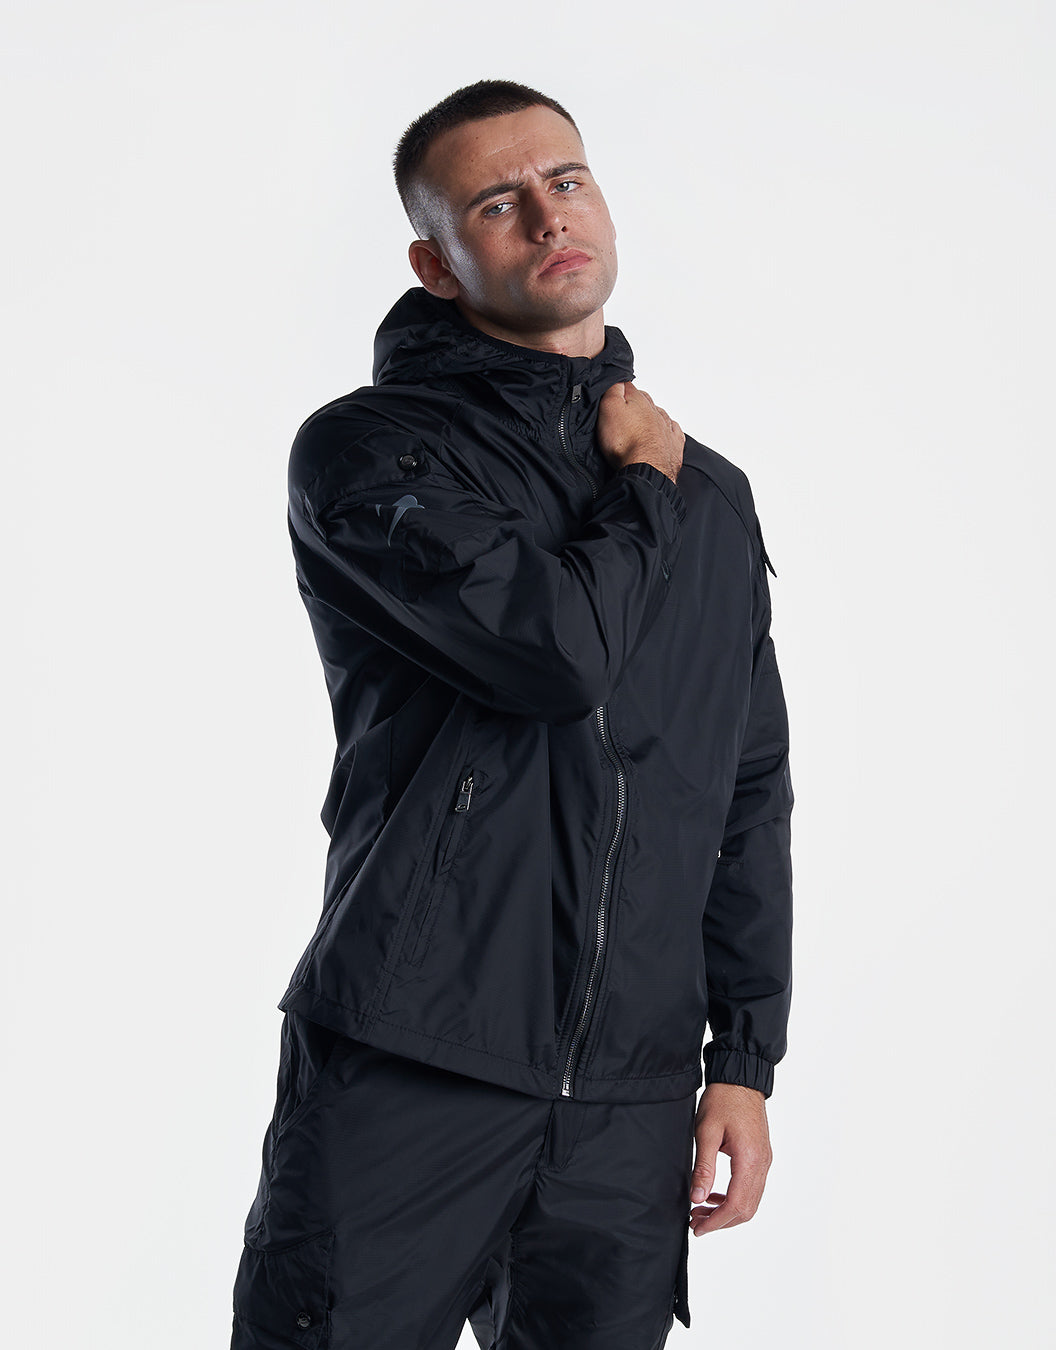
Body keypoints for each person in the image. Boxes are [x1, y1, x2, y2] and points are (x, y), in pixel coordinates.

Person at [230, 79, 794, 1350]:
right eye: (498, 203)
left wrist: (743, 1061)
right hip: (415, 1060)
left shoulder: (711, 496)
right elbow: (554, 656)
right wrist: (642, 488)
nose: (548, 217)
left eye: (567, 180)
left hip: (632, 1100)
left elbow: (747, 787)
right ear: (436, 265)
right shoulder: (374, 453)